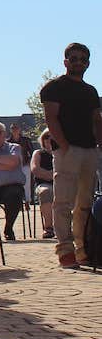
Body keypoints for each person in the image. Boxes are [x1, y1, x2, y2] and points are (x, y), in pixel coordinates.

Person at [40, 42, 102, 269]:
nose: (78, 62)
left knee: (84, 203)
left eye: (83, 59)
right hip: (67, 151)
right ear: (66, 61)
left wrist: (99, 146)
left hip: (89, 151)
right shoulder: (54, 87)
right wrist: (64, 145)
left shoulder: (91, 91)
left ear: (88, 63)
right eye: (73, 58)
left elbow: (97, 120)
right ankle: (65, 250)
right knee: (63, 202)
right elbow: (51, 118)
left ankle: (82, 249)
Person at [31, 129, 56, 238]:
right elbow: (36, 170)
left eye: (52, 136)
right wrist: (54, 175)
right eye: (46, 137)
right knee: (46, 191)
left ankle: (66, 227)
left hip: (63, 183)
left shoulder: (63, 152)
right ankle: (48, 227)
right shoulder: (38, 153)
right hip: (44, 184)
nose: (49, 139)